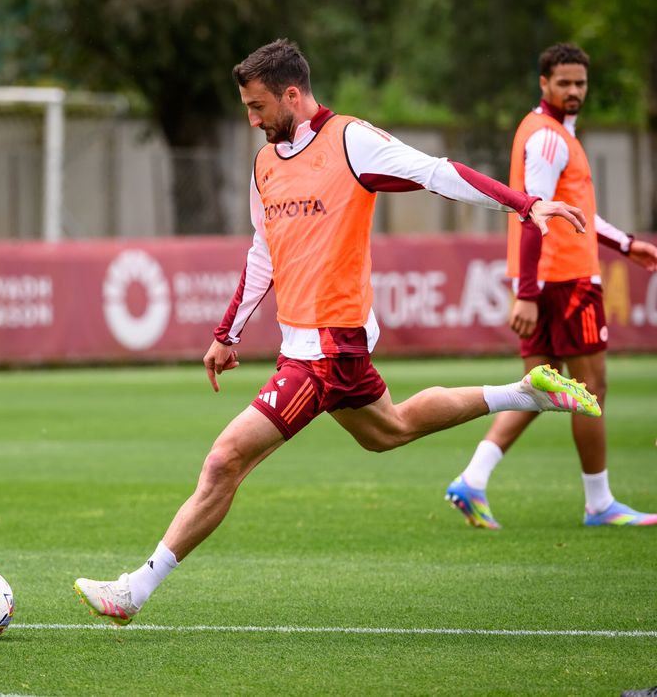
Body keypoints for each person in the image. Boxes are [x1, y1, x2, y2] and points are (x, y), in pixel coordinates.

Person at [73, 38, 601, 626]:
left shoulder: (351, 140)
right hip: (304, 345)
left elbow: (436, 173)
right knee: (389, 430)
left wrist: (525, 204)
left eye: (257, 106)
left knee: (224, 460)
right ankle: (522, 393)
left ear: (291, 95)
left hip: (328, 345)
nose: (250, 119)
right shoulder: (264, 163)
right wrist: (228, 333)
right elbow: (262, 252)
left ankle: (133, 591)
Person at [445, 43, 657, 529]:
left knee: (540, 390)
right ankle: (600, 503)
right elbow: (533, 214)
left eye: (580, 82)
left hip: (549, 279)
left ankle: (472, 481)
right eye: (564, 83)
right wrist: (528, 291)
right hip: (564, 282)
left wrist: (627, 244)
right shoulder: (548, 138)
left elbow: (573, 212)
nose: (574, 91)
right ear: (544, 84)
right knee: (592, 387)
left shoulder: (548, 132)